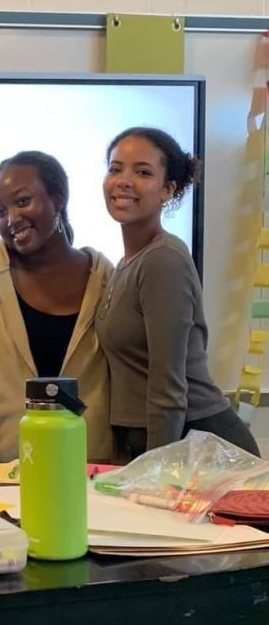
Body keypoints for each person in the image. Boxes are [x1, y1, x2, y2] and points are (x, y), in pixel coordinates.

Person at [0, 150, 114, 464]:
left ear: (58, 200)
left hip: (91, 474)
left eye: (22, 201)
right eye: (0, 210)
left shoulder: (105, 277)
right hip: (0, 478)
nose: (12, 219)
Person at [96, 127, 259, 460]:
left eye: (142, 172)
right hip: (158, 441)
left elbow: (168, 389)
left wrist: (156, 471)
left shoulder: (162, 260)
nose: (124, 180)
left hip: (197, 444)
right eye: (115, 168)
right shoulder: (126, 264)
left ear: (167, 189)